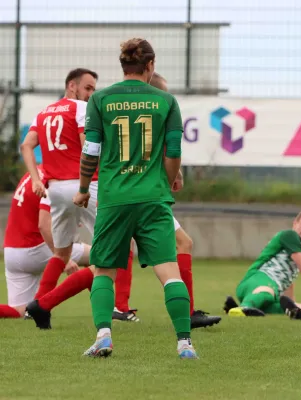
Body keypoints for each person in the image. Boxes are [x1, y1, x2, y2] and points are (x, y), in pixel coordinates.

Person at [72, 38, 197, 359]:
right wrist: (165, 184)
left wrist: (84, 187)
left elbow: (91, 150)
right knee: (169, 270)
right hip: (153, 198)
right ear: (151, 66)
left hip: (114, 198)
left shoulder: (101, 99)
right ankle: (184, 343)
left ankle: (103, 336)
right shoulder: (165, 101)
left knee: (103, 270)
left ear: (122, 65)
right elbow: (174, 153)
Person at [115, 72, 221, 329]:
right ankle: (122, 307)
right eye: (164, 92)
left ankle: (121, 307)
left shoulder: (123, 112)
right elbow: (168, 152)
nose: (167, 97)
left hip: (123, 192)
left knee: (117, 252)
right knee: (110, 256)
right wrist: (174, 175)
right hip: (145, 196)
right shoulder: (158, 114)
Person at [20, 68, 100, 302]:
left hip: (55, 190)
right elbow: (88, 146)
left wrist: (36, 179)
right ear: (71, 86)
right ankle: (117, 307)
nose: (90, 94)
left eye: (93, 89)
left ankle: (38, 304)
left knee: (62, 252)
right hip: (85, 187)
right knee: (114, 248)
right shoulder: (82, 108)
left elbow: (26, 145)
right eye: (87, 88)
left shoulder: (43, 113)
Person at [1, 167, 90, 321]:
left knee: (19, 311)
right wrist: (65, 259)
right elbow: (44, 224)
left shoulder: (33, 173)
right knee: (97, 255)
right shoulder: (53, 178)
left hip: (12, 252)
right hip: (34, 247)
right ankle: (115, 308)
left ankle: (35, 309)